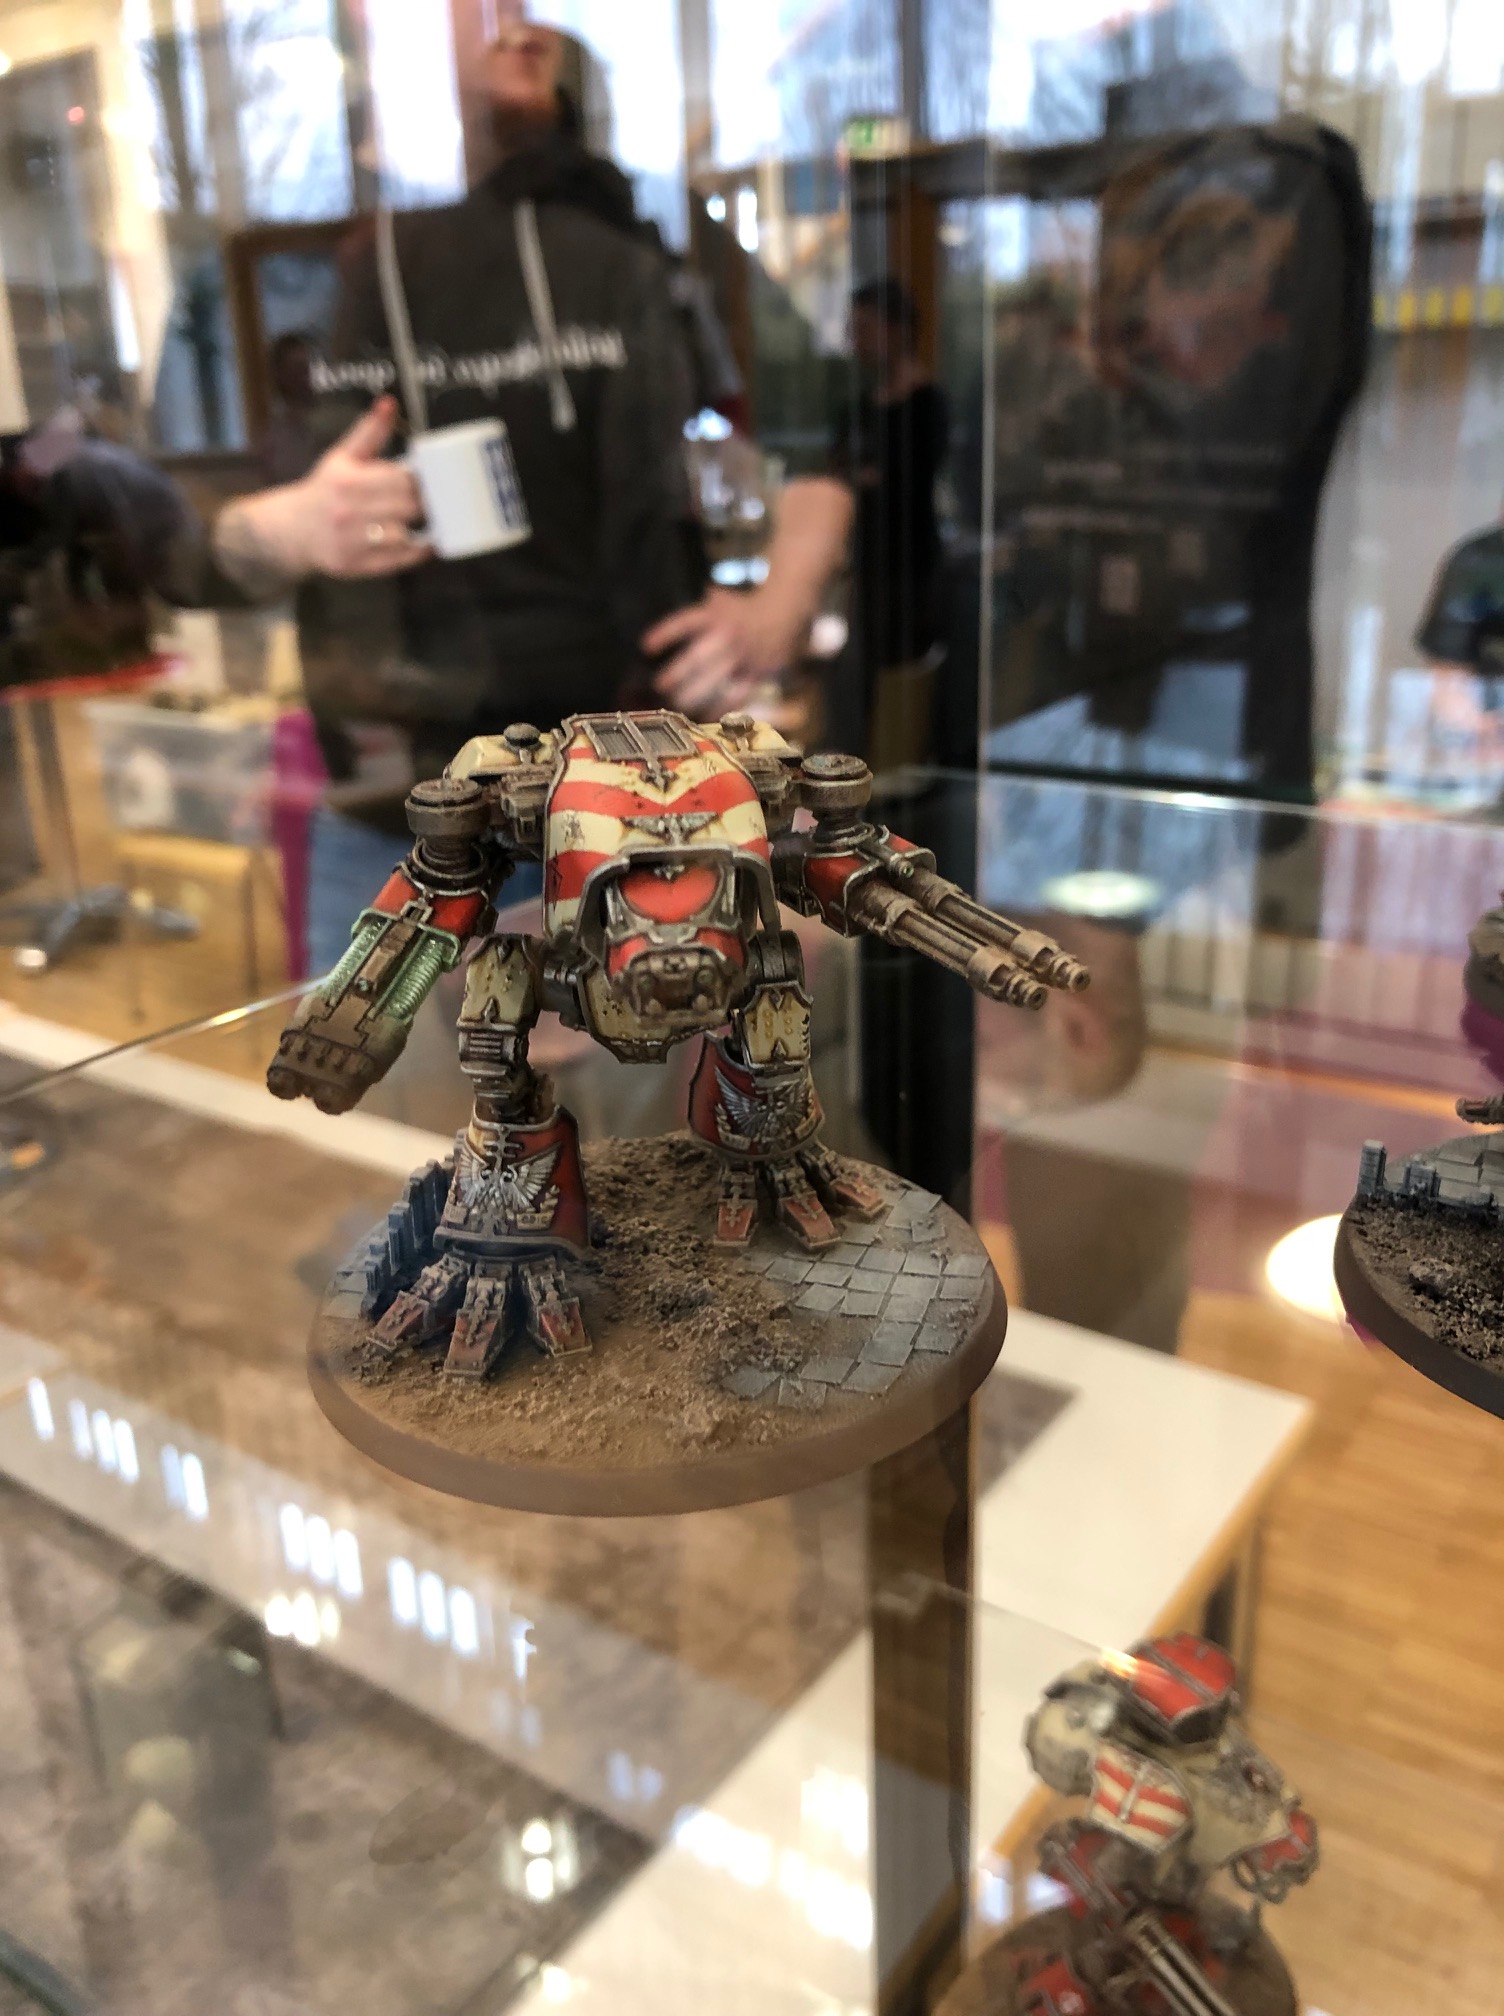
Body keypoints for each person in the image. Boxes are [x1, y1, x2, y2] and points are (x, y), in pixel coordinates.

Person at [211, 6, 851, 742]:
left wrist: (776, 612)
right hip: (421, 729)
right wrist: (291, 534)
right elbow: (255, 497)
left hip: (635, 720)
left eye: (529, 16)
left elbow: (827, 427)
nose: (516, 28)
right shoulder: (364, 254)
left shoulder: (643, 237)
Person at [830, 278, 949, 765]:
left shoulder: (926, 405)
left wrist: (866, 480)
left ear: (897, 330)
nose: (855, 339)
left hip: (910, 570)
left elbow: (901, 484)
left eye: (865, 327)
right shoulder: (858, 407)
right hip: (866, 570)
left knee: (902, 691)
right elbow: (840, 478)